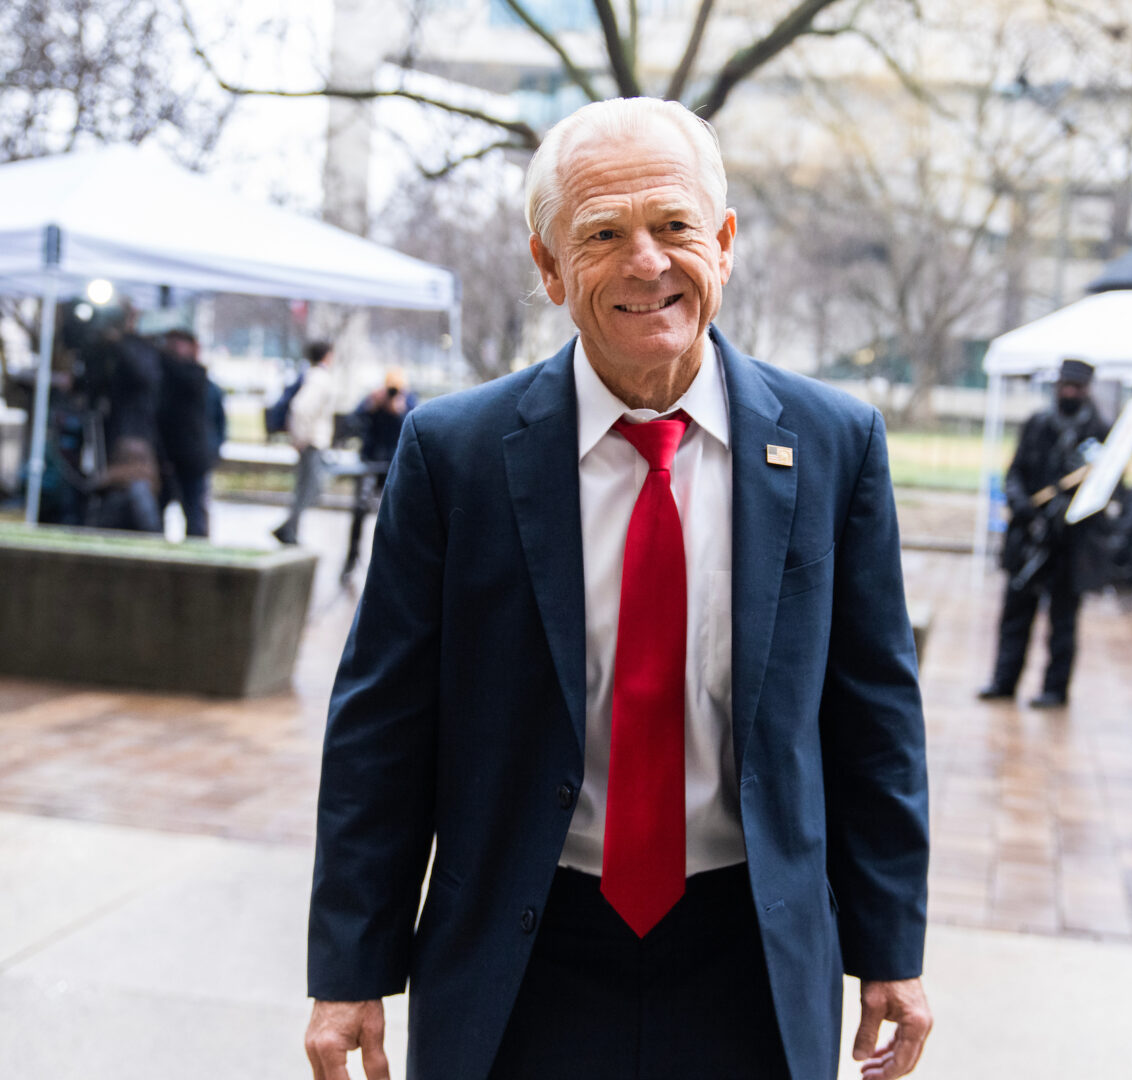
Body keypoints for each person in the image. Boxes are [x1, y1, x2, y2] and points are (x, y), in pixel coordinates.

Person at [305, 98, 931, 1080]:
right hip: (527, 952)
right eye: (603, 234)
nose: (648, 262)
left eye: (675, 226)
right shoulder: (454, 455)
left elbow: (874, 711)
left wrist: (890, 946)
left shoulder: (833, 445)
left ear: (722, 244)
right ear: (550, 270)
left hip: (752, 956)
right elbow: (384, 724)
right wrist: (351, 967)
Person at [978, 358, 1110, 709]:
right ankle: (1004, 681)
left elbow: (1108, 489)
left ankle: (1055, 689)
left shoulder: (1099, 432)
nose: (1069, 392)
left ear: (1086, 390)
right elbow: (1015, 472)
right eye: (1064, 385)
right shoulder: (1038, 424)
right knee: (1015, 613)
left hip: (1070, 545)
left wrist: (1071, 511)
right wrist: (1024, 507)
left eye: (1076, 387)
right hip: (1029, 537)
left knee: (1063, 622)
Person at [85, 306, 163, 533]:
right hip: (113, 430)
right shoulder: (107, 349)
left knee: (135, 484)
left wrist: (120, 342)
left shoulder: (143, 350)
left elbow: (144, 377)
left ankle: (148, 531)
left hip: (135, 433)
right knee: (116, 490)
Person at [342, 367, 415, 580]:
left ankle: (391, 567)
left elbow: (414, 432)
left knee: (395, 515)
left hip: (393, 465)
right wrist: (369, 407)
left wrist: (399, 412)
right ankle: (351, 558)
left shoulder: (408, 402)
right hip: (370, 461)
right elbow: (352, 423)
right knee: (359, 510)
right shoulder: (374, 399)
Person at [273, 340, 336, 546]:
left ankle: (289, 528)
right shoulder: (320, 378)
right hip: (312, 442)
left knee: (306, 488)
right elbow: (301, 407)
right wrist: (301, 437)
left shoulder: (312, 375)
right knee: (311, 488)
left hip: (311, 441)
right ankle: (288, 529)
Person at [155, 329, 216, 539]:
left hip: (190, 457)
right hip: (166, 454)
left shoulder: (194, 373)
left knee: (193, 511)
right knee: (160, 508)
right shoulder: (166, 373)